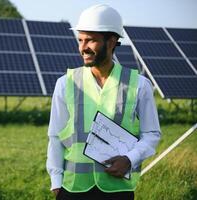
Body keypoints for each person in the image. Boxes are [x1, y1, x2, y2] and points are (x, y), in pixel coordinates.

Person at [46, 4, 161, 200]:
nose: (83, 47)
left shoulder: (139, 85)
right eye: (80, 40)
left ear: (112, 41)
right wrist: (56, 182)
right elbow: (55, 136)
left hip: (117, 190)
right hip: (73, 189)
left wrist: (129, 160)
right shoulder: (65, 83)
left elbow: (151, 134)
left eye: (91, 40)